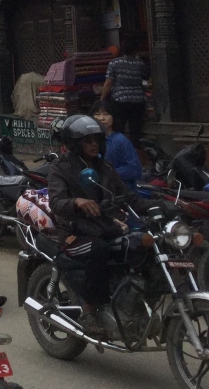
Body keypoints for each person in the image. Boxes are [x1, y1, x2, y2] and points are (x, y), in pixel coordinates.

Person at [47, 113, 136, 338]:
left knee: (138, 245)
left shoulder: (105, 167)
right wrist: (77, 202)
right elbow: (56, 202)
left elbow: (127, 196)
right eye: (87, 140)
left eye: (97, 139)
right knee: (100, 249)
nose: (94, 144)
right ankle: (88, 311)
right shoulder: (61, 168)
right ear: (75, 143)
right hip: (74, 233)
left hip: (103, 227)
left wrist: (166, 205)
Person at [101, 35, 149, 142]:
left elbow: (108, 83)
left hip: (120, 100)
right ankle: (135, 148)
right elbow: (145, 78)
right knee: (135, 130)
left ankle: (119, 147)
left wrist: (102, 99)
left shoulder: (114, 63)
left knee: (118, 128)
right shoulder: (140, 64)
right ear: (135, 50)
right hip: (138, 100)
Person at [91, 99, 141, 192]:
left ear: (113, 117)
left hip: (121, 192)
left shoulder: (120, 140)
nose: (102, 118)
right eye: (97, 114)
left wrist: (109, 173)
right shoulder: (90, 141)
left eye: (106, 114)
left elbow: (135, 170)